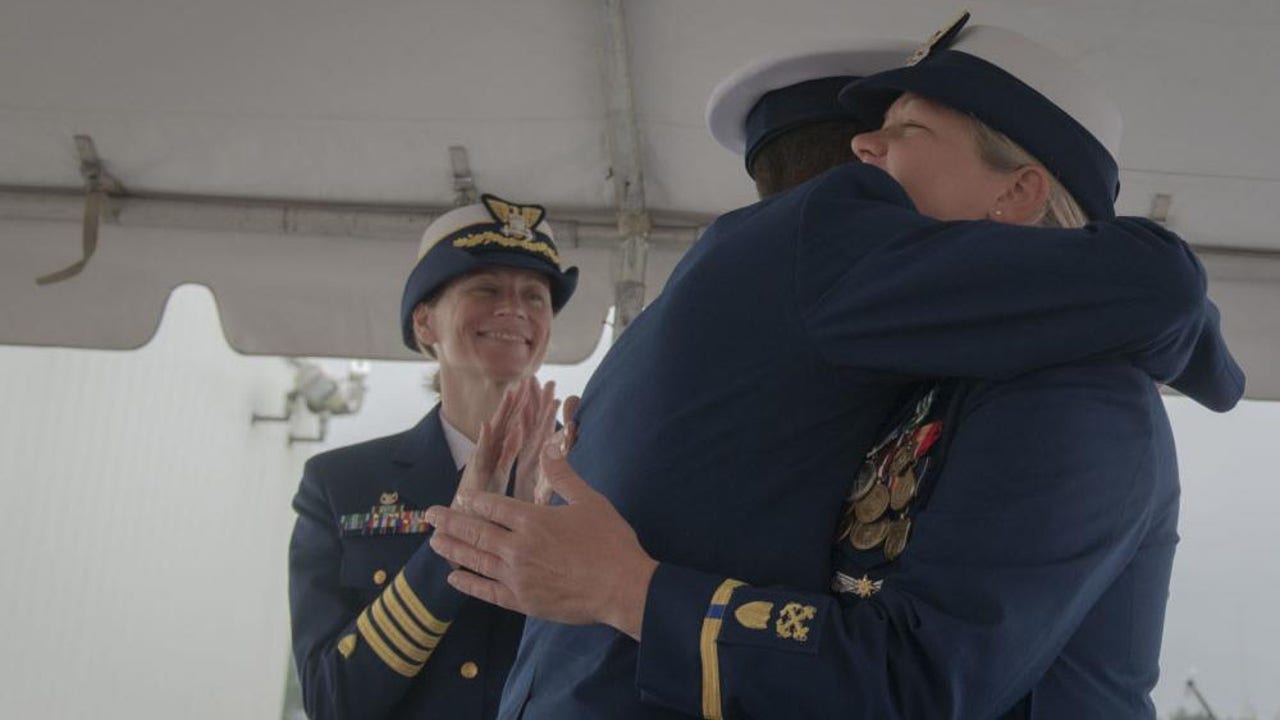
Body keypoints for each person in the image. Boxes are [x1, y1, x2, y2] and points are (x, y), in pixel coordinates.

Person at [427, 17, 1243, 720]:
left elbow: (921, 682)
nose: (859, 152)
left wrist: (627, 588)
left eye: (909, 131)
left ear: (1021, 190)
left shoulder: (1081, 397)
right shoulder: (922, 369)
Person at [287, 194, 578, 719]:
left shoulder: (594, 474)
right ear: (426, 323)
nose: (513, 308)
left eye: (535, 297)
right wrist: (455, 539)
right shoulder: (340, 483)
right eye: (486, 289)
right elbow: (331, 702)